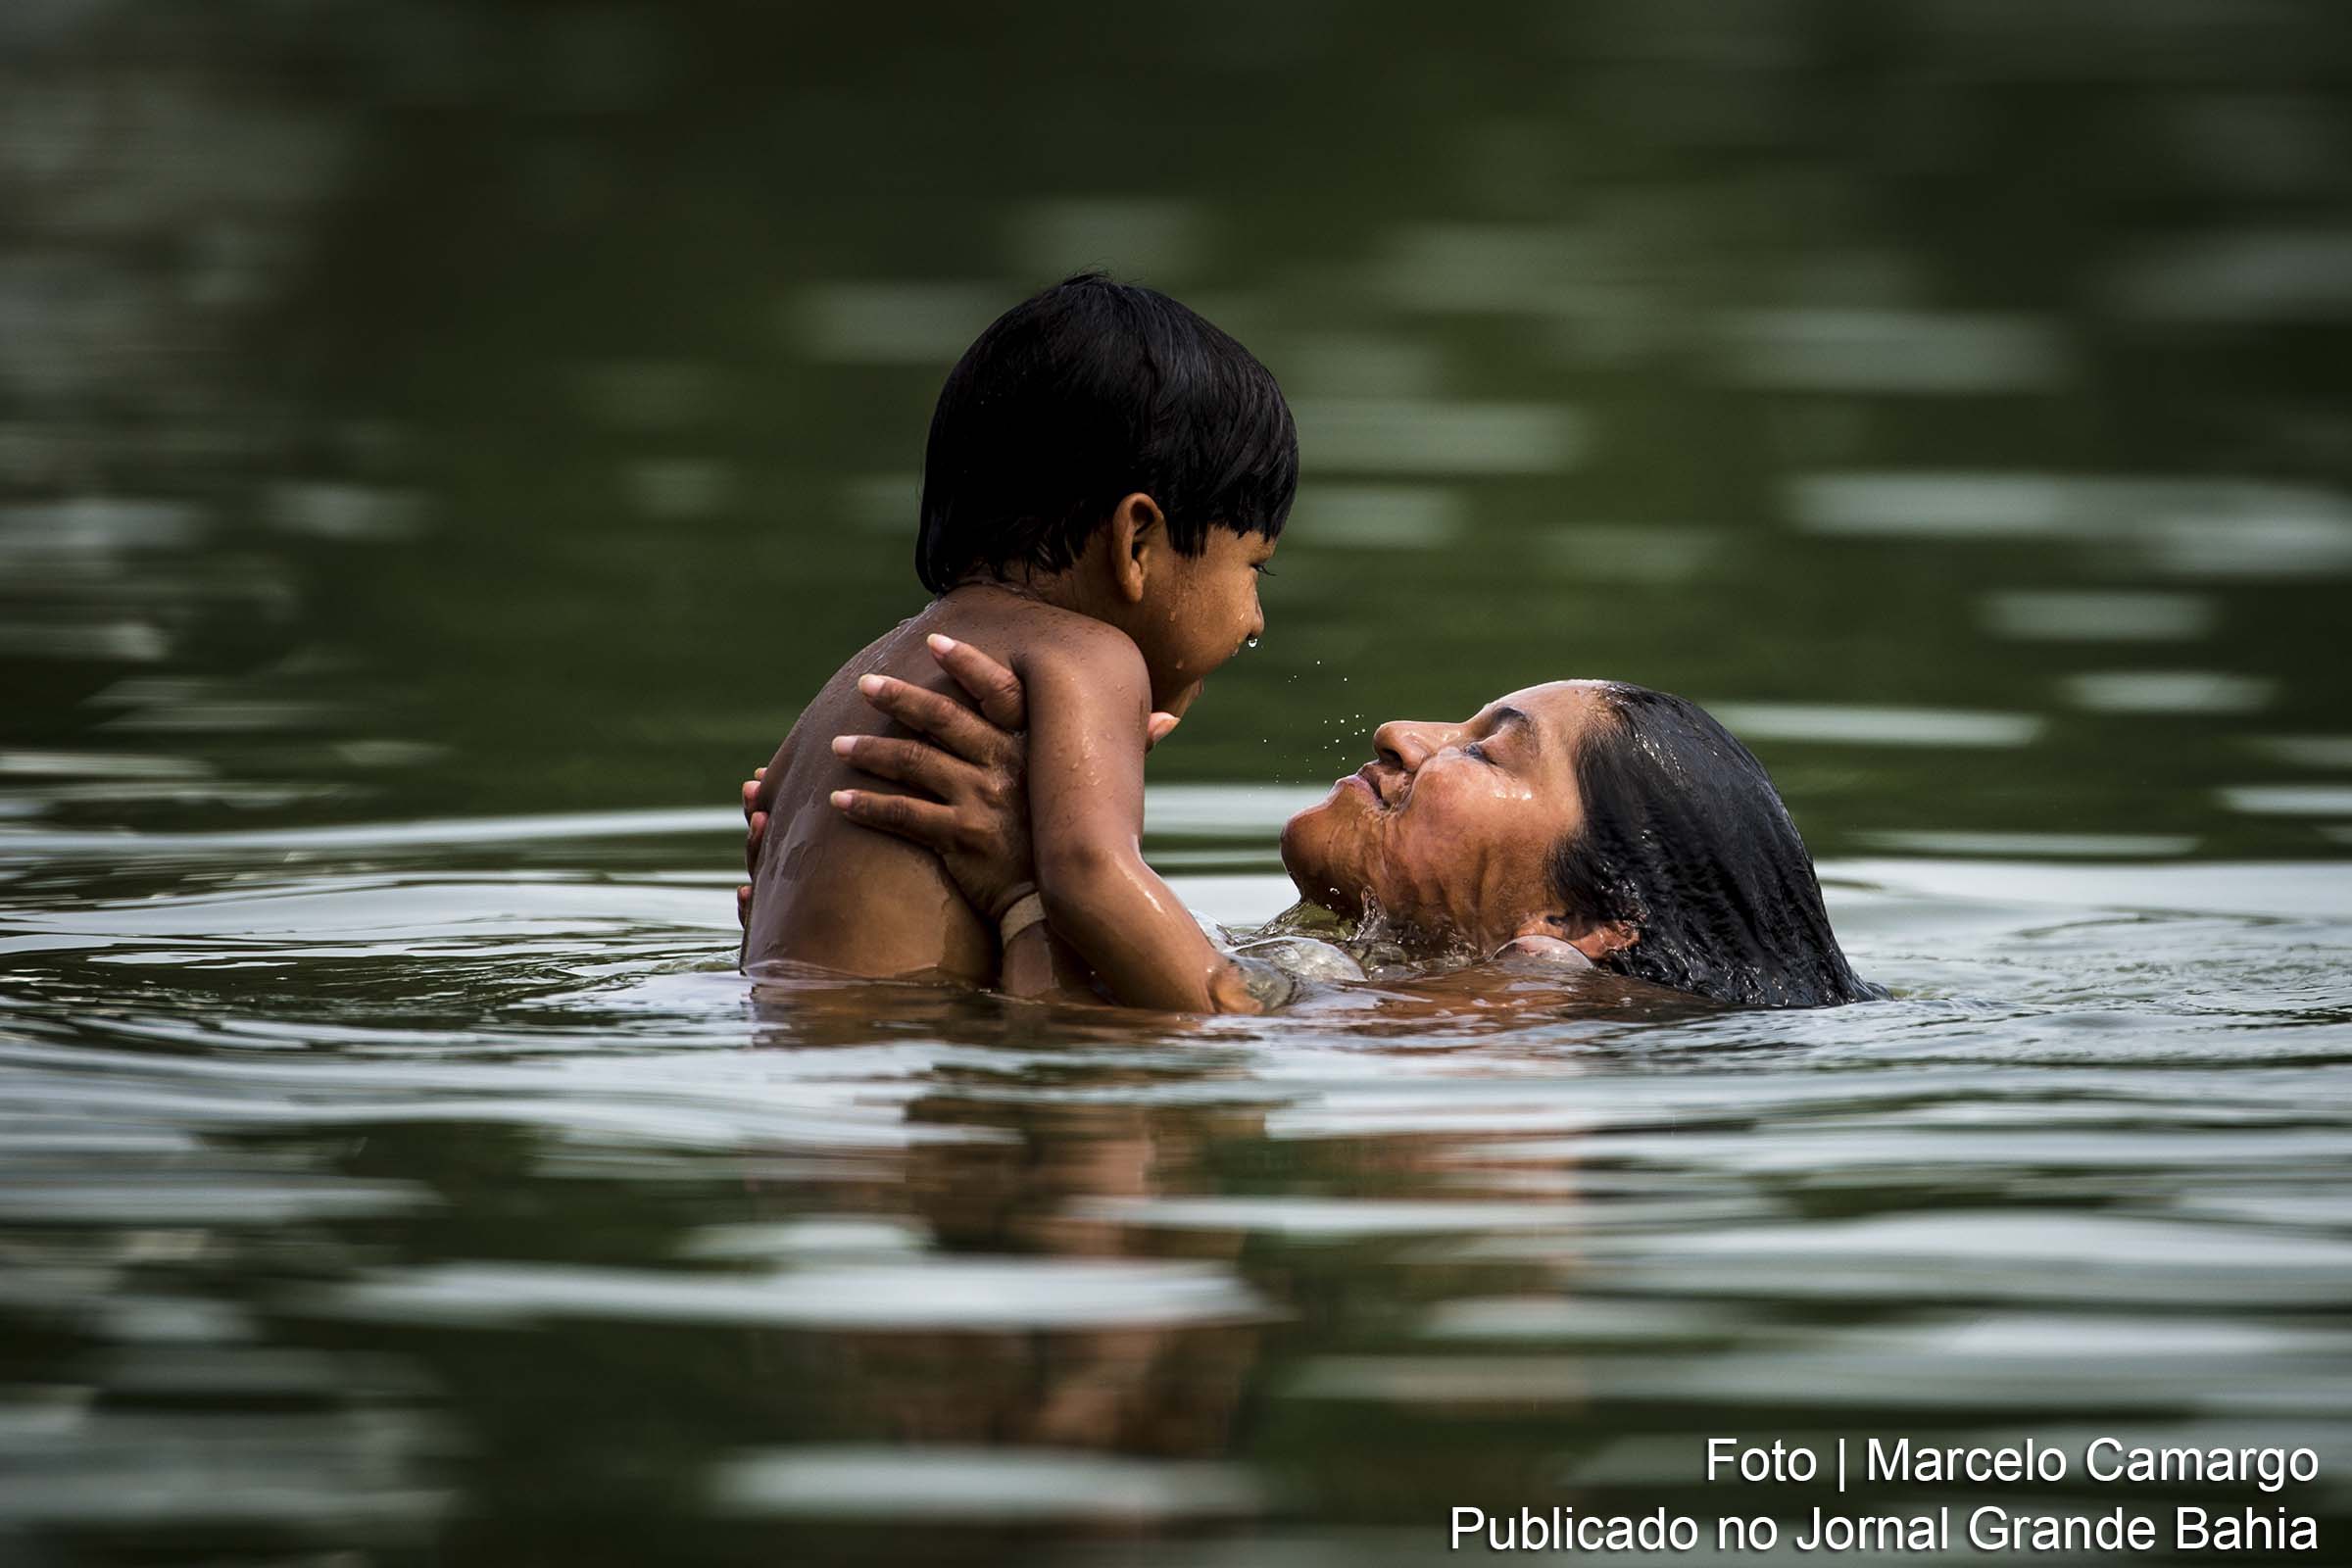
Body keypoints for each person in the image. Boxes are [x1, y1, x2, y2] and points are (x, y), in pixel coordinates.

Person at [746, 645, 1880, 1010]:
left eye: (1487, 749)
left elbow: (1100, 1089)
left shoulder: (1494, 1045)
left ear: (1578, 922)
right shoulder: (1378, 988)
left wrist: (1027, 886)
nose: (1399, 732)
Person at [740, 273, 1297, 1012]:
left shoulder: (859, 676)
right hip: (917, 1064)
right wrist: (1230, 1004)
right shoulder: (1092, 657)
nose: (1255, 619)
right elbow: (1089, 874)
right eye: (1254, 567)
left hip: (786, 1061)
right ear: (1137, 541)